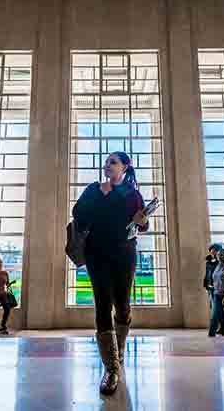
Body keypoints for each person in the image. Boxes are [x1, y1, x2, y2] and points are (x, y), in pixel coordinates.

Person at [72, 151, 149, 395]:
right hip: (97, 254)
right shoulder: (94, 189)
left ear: (125, 167)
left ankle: (120, 346)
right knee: (103, 306)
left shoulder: (132, 194)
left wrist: (142, 219)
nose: (107, 165)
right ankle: (111, 368)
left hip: (125, 254)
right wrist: (99, 197)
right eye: (106, 162)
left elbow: (143, 226)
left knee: (123, 305)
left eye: (112, 162)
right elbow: (78, 215)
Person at [203, 243, 224, 335]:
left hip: (218, 289)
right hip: (210, 289)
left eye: (214, 251)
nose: (212, 253)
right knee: (217, 309)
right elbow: (207, 274)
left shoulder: (222, 263)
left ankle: (214, 330)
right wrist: (206, 285)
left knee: (216, 309)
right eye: (211, 251)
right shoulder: (209, 262)